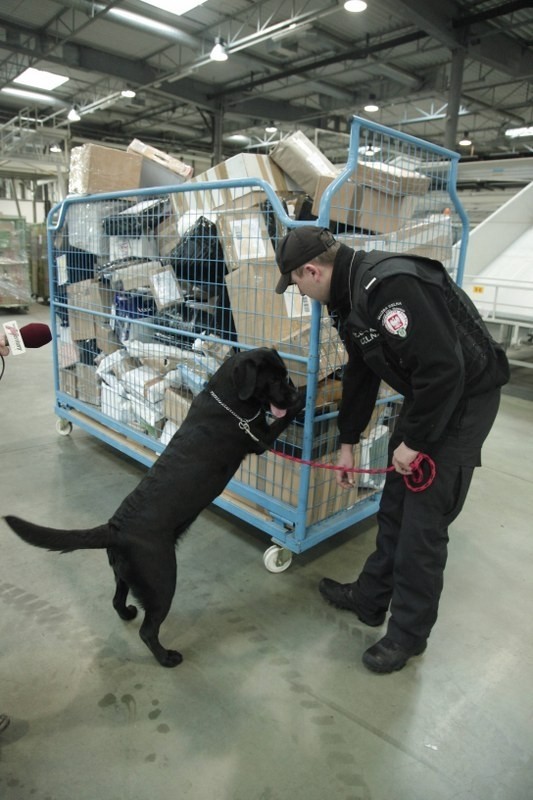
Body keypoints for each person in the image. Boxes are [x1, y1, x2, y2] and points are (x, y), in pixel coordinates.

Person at [275, 226, 510, 674]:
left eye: (296, 284)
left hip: (464, 399)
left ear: (311, 270)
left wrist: (415, 441)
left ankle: (408, 634)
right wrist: (348, 440)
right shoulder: (347, 300)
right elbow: (362, 371)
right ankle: (370, 598)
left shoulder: (390, 286)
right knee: (395, 508)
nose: (300, 293)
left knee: (423, 527)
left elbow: (445, 368)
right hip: (430, 395)